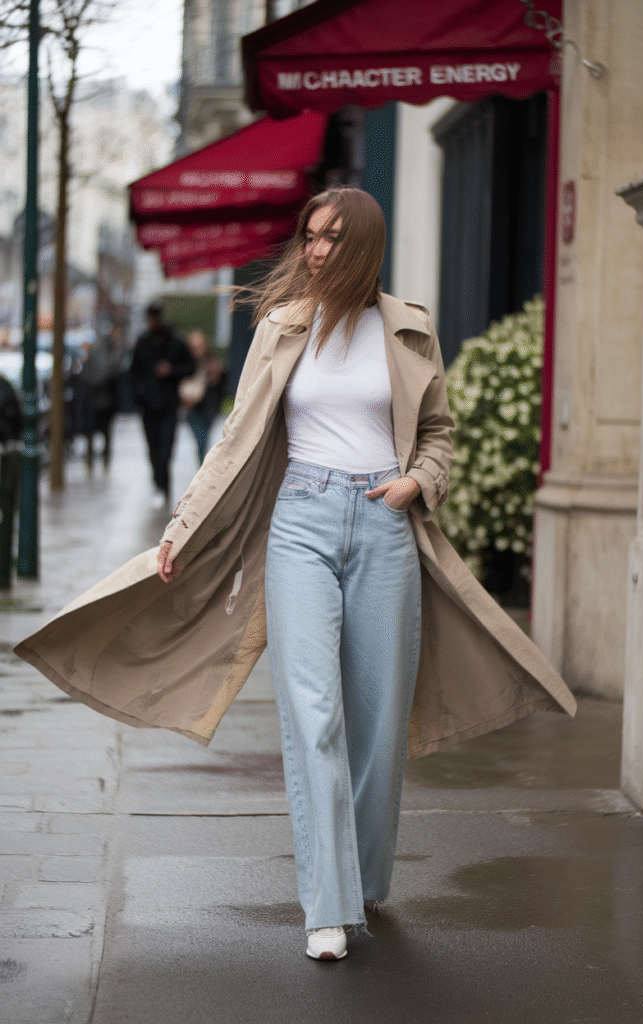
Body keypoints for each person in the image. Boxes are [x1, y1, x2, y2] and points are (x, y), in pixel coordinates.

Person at [15, 189, 576, 964]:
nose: (316, 250)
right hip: (301, 523)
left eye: (333, 238)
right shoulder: (281, 328)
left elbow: (439, 432)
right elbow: (234, 436)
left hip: (384, 524)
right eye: (310, 236)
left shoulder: (407, 327)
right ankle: (327, 902)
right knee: (313, 714)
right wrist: (181, 525)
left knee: (378, 722)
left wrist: (419, 482)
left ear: (365, 246)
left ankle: (365, 881)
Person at [130, 303, 196, 506]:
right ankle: (159, 484)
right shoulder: (142, 342)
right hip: (148, 407)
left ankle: (164, 487)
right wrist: (138, 396)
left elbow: (190, 366)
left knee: (166, 448)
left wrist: (172, 370)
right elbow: (133, 373)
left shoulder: (175, 342)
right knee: (153, 448)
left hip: (168, 405)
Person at [79, 326, 124, 469]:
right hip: (102, 398)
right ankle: (100, 455)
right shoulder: (103, 353)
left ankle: (95, 455)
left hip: (100, 397)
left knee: (97, 429)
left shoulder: (98, 351)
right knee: (101, 429)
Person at [180, 329, 227, 464]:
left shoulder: (214, 362)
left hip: (210, 408)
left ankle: (202, 468)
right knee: (201, 440)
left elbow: (221, 386)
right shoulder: (187, 363)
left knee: (204, 439)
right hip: (192, 408)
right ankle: (202, 467)